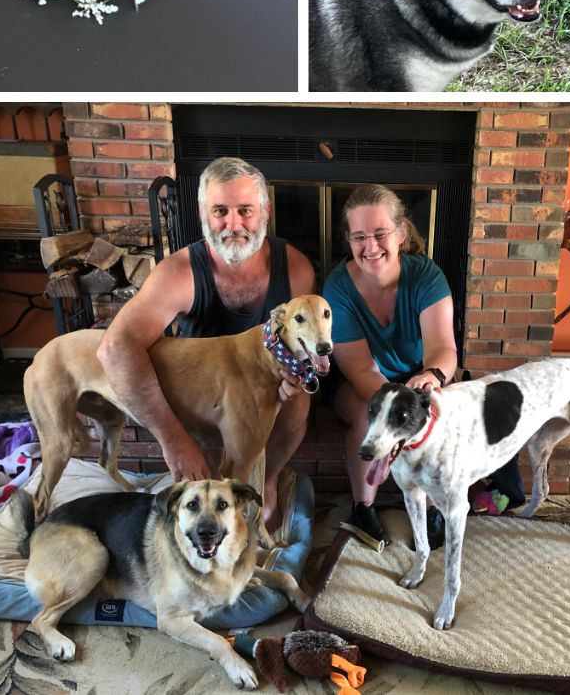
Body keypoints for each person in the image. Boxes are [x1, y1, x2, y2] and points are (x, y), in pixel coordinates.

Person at [96, 157, 316, 526]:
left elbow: (303, 347)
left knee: (301, 402)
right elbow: (115, 347)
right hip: (202, 396)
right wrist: (173, 439)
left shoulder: (296, 269)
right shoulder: (177, 273)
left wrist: (292, 378)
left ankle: (271, 479)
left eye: (245, 210)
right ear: (202, 212)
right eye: (220, 211)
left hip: (262, 388)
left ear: (265, 210)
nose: (233, 224)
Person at [324, 184, 465, 549]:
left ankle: (434, 506)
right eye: (359, 237)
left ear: (400, 233)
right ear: (349, 241)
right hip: (359, 383)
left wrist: (431, 377)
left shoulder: (426, 276)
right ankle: (363, 507)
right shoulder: (337, 289)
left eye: (380, 234)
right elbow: (359, 371)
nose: (370, 247)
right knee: (368, 417)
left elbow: (444, 350)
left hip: (420, 378)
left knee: (439, 416)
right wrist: (396, 410)